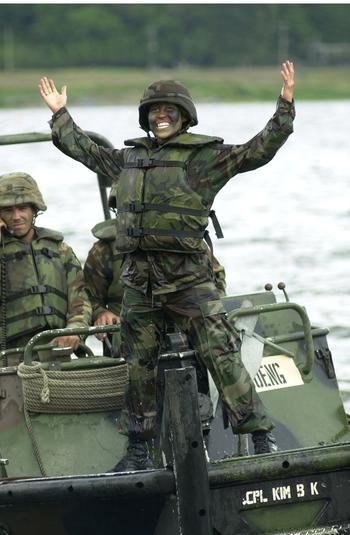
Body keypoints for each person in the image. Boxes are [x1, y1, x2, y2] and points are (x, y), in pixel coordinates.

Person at [38, 61, 295, 470]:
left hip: (189, 280)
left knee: (221, 354)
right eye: (154, 112)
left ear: (184, 116)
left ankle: (261, 436)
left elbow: (256, 151)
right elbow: (85, 152)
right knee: (138, 367)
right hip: (140, 284)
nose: (160, 117)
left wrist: (284, 107)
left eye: (168, 111)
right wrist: (60, 115)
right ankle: (139, 449)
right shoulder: (128, 161)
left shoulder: (203, 160)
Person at [0, 172, 92, 367]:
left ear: (34, 209)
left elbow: (80, 301)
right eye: (8, 210)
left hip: (56, 353)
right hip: (9, 357)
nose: (16, 217)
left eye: (23, 208)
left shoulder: (60, 250)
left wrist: (74, 330)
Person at [84, 216, 227, 339]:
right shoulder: (104, 250)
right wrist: (101, 313)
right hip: (131, 332)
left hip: (188, 325)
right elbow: (88, 297)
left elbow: (216, 277)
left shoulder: (183, 237)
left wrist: (210, 310)